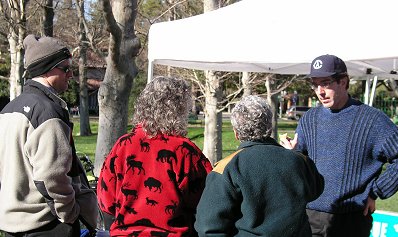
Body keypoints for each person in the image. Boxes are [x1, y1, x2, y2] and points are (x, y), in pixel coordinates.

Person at [280, 54, 398, 237]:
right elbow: (302, 163)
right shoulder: (309, 118)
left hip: (351, 220)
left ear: (343, 81)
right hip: (309, 217)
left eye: (326, 83)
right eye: (315, 84)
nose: (320, 91)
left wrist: (376, 191)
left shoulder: (372, 120)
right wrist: (292, 154)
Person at [0, 35, 98, 236]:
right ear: (47, 68)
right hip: (45, 224)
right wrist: (70, 214)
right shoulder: (47, 111)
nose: (71, 74)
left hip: (13, 225)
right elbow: (51, 177)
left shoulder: (10, 108)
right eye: (66, 69)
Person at [97, 76, 213, 236]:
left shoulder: (123, 145)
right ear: (179, 109)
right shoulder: (185, 151)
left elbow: (106, 201)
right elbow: (208, 202)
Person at [195, 95, 324, 236]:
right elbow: (317, 188)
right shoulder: (299, 161)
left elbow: (208, 227)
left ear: (236, 133)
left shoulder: (227, 168)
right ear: (270, 126)